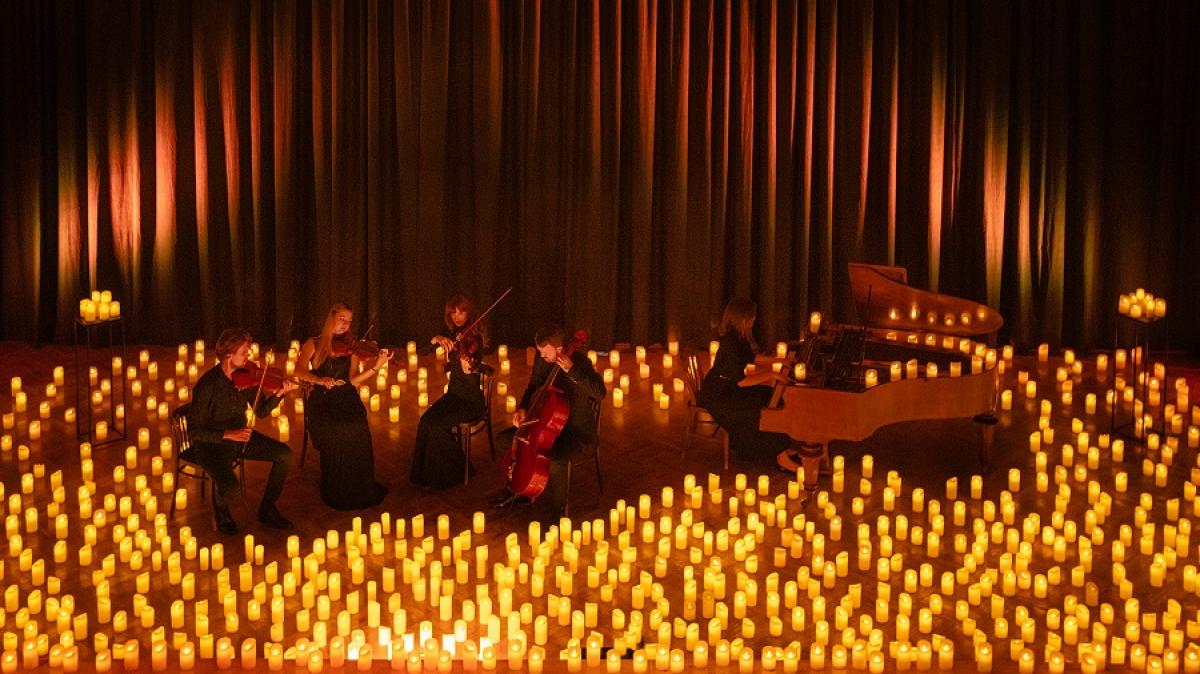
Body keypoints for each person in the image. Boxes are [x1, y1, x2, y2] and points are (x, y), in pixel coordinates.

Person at [186, 328, 297, 535]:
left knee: (284, 455)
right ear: (229, 355)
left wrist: (280, 393)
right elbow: (194, 432)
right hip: (211, 445)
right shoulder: (207, 385)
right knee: (230, 486)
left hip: (240, 437)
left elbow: (261, 411)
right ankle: (222, 512)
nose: (249, 356)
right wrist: (229, 434)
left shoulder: (245, 376)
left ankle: (267, 509)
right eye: (244, 352)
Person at [493, 325, 606, 520]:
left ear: (559, 349)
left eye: (545, 352)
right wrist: (523, 408)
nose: (541, 355)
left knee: (556, 458)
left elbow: (599, 392)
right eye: (539, 351)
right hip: (544, 425)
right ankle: (519, 490)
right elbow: (534, 386)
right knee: (504, 440)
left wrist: (572, 370)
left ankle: (560, 510)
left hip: (575, 433)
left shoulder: (580, 363)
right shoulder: (542, 360)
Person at [297, 304, 390, 510]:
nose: (345, 324)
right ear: (331, 318)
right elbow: (298, 370)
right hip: (322, 399)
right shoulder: (313, 343)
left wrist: (376, 366)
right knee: (337, 429)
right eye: (341, 319)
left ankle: (358, 485)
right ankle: (336, 487)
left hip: (346, 396)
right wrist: (319, 380)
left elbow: (353, 380)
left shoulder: (351, 347)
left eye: (349, 321)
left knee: (357, 425)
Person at [697, 298, 793, 463]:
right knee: (759, 408)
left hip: (729, 387)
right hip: (719, 395)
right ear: (743, 320)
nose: (754, 320)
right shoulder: (730, 344)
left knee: (768, 394)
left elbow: (753, 358)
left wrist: (779, 360)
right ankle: (778, 454)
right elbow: (742, 381)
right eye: (752, 317)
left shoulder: (738, 337)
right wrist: (772, 374)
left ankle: (780, 447)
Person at [409, 295, 489, 488]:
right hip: (454, 395)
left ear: (469, 313)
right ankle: (423, 474)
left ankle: (458, 470)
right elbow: (421, 352)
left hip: (471, 400)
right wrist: (436, 339)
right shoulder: (452, 335)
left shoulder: (475, 338)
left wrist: (466, 362)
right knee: (425, 422)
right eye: (453, 313)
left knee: (436, 428)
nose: (457, 317)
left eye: (461, 312)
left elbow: (471, 369)